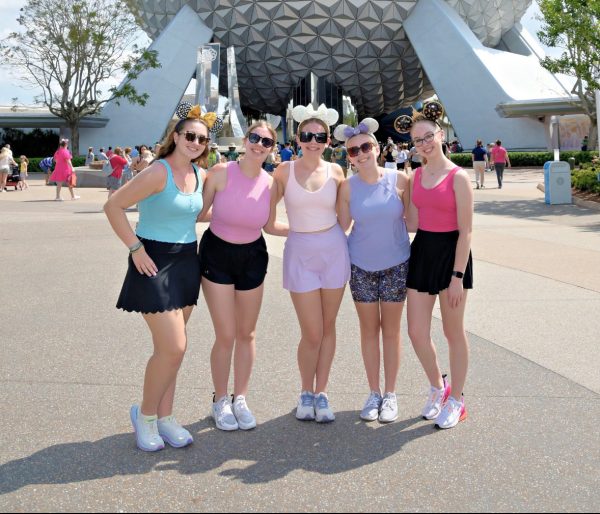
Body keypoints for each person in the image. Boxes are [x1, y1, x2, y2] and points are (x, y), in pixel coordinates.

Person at [103, 104, 211, 452]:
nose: (196, 142)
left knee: (171, 351)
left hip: (185, 263)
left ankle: (166, 417)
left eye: (202, 139)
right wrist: (135, 248)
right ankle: (146, 416)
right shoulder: (157, 172)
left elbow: (205, 212)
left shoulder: (201, 175)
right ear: (176, 137)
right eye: (190, 135)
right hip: (152, 261)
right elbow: (113, 206)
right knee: (173, 346)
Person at [197, 120, 288, 431]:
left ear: (272, 149)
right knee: (225, 334)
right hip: (217, 254)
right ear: (245, 138)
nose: (258, 145)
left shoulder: (272, 183)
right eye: (254, 137)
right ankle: (220, 399)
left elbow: (270, 226)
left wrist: (317, 231)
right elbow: (198, 212)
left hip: (253, 256)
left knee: (246, 333)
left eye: (266, 142)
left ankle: (241, 398)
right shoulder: (220, 172)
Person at [269, 104, 348, 423]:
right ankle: (305, 390)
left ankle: (322, 392)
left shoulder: (338, 172)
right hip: (300, 253)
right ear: (297, 138)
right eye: (306, 135)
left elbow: (346, 219)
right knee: (311, 331)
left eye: (319, 136)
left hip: (333, 252)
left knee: (328, 327)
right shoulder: (283, 171)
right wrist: (299, 231)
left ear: (329, 140)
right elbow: (266, 219)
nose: (313, 141)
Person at [400, 100, 473, 430]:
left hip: (452, 255)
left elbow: (466, 231)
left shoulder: (459, 178)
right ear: (413, 147)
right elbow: (412, 223)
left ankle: (457, 399)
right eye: (418, 141)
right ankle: (437, 386)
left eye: (428, 136)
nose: (424, 144)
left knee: (452, 331)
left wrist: (457, 276)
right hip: (423, 251)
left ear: (440, 134)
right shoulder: (414, 176)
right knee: (416, 331)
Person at [335, 118, 410, 423]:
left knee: (391, 332)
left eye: (366, 147)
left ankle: (391, 394)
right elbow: (340, 228)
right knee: (369, 331)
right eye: (354, 151)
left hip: (396, 264)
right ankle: (373, 392)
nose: (361, 153)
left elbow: (416, 221)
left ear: (377, 149)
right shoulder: (346, 187)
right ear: (348, 157)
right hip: (361, 266)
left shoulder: (400, 180)